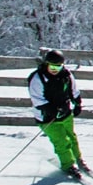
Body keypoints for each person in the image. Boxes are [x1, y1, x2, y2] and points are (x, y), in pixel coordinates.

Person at [27, 49, 87, 177]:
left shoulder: (66, 75)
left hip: (65, 113)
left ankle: (78, 158)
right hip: (47, 118)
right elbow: (37, 99)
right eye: (52, 66)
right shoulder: (38, 78)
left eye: (58, 66)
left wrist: (77, 103)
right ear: (46, 64)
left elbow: (73, 90)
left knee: (71, 137)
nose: (55, 69)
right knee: (61, 141)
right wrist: (52, 110)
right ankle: (68, 164)